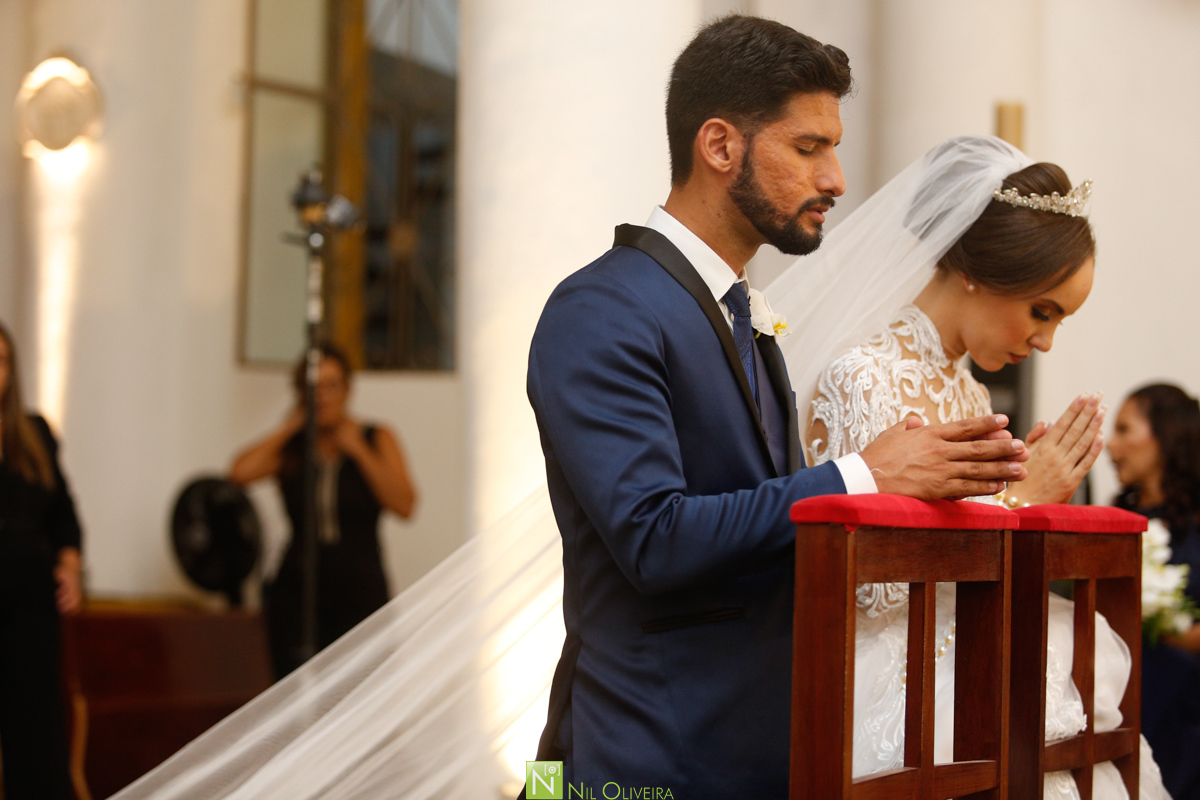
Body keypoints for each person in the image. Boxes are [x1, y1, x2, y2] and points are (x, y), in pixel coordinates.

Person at [524, 18, 1032, 798]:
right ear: (720, 146)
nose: (834, 178)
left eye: (833, 148)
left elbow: (769, 536)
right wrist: (862, 475)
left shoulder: (739, 313)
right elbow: (654, 539)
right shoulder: (603, 306)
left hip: (760, 748)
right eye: (808, 147)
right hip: (644, 757)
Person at [799, 135, 1169, 799]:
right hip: (892, 668)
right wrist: (1020, 499)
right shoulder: (862, 376)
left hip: (973, 646)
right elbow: (870, 588)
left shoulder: (969, 395)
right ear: (980, 272)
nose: (1046, 340)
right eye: (1041, 311)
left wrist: (1036, 509)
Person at [230, 343, 417, 678]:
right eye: (312, 387)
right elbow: (240, 473)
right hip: (297, 590)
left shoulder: (375, 436)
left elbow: (405, 504)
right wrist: (290, 426)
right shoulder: (294, 446)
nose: (323, 396)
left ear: (348, 389)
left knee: (362, 690)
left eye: (332, 386)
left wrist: (358, 450)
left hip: (360, 589)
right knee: (292, 695)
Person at [0, 320, 84, 800]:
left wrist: (70, 566)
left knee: (38, 740)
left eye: (1, 360)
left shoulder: (33, 433)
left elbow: (65, 516)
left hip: (30, 605)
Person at [1110, 383, 1200, 798]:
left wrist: (1158, 620)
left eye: (1125, 430)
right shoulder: (1116, 518)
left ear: (1164, 435)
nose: (1112, 445)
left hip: (1183, 712)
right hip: (1118, 697)